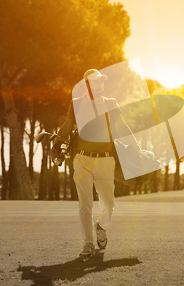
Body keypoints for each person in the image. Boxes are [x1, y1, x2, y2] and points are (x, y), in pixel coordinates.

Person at [53, 68, 141, 259]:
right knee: (85, 204)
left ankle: (101, 226)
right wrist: (58, 140)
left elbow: (123, 127)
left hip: (106, 160)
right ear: (87, 85)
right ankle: (88, 243)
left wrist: (138, 149)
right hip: (82, 159)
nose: (100, 85)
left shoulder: (110, 103)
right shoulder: (75, 104)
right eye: (95, 82)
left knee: (108, 204)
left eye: (101, 82)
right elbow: (68, 126)